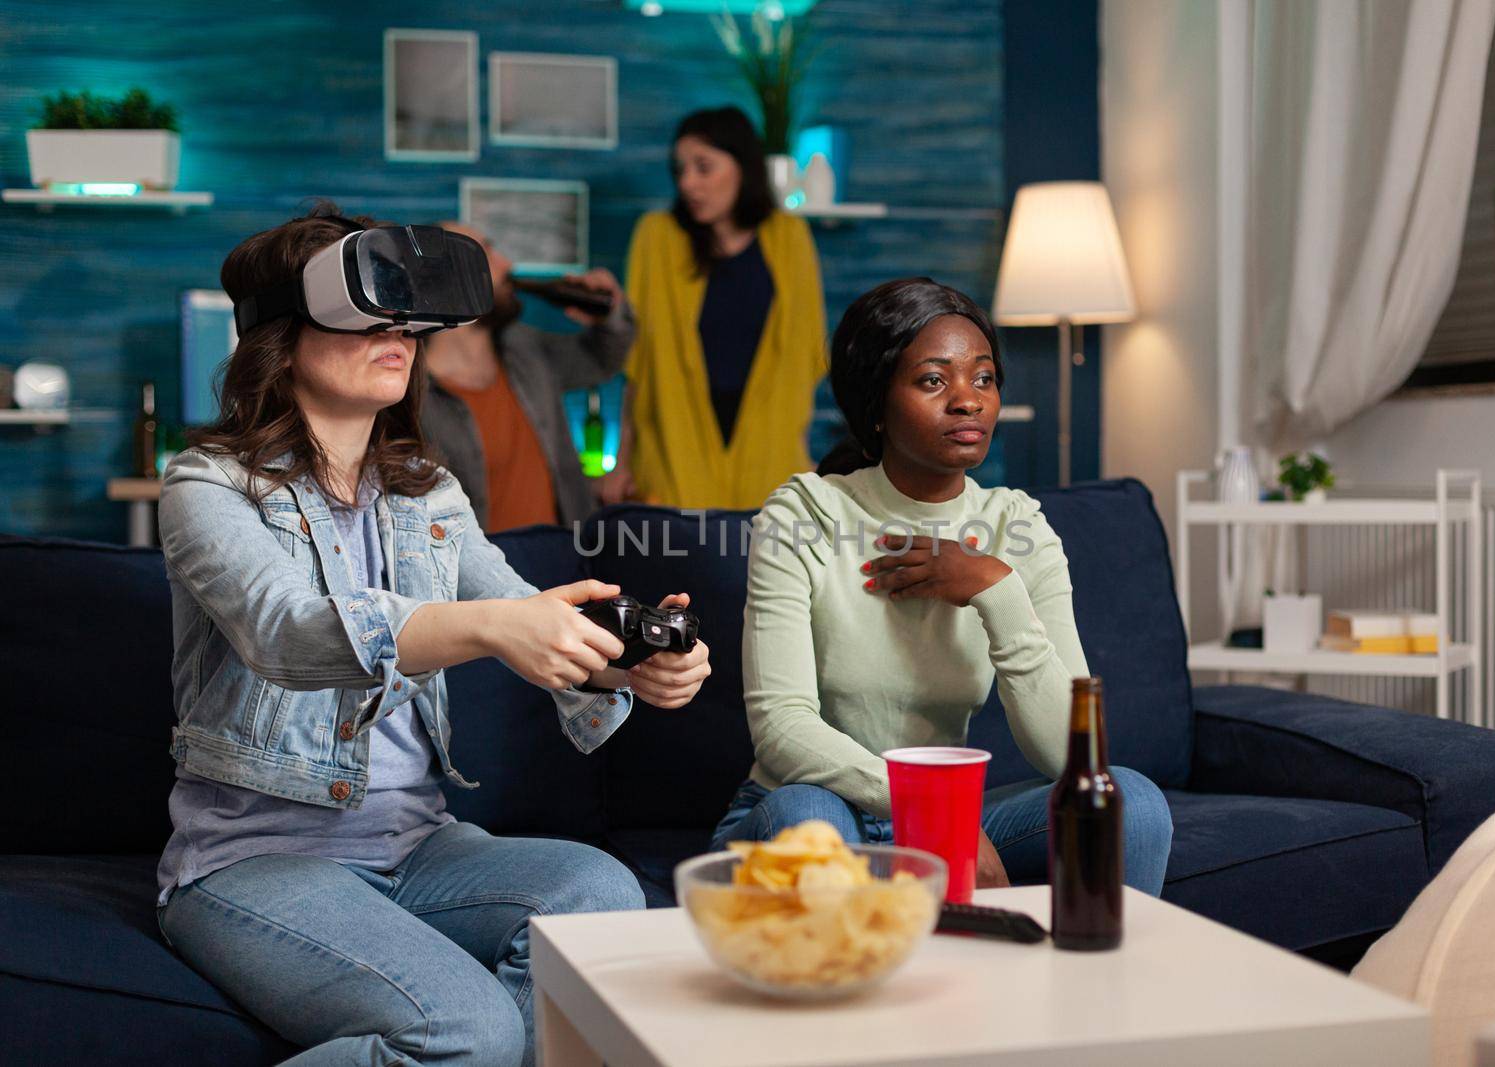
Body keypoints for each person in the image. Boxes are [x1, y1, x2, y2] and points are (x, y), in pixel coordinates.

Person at [155, 205, 712, 1066]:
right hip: (254, 860)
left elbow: (526, 607)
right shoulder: (208, 486)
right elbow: (288, 633)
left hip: (421, 848)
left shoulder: (426, 494)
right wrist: (493, 626)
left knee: (601, 893)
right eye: (369, 314)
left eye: (409, 315)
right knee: (470, 1028)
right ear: (279, 335)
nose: (403, 333)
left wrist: (624, 664)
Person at [711, 278, 1172, 895]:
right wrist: (931, 811)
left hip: (948, 810)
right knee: (808, 818)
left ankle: (1101, 987)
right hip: (815, 805)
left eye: (983, 378)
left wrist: (997, 588)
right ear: (876, 403)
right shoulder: (805, 514)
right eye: (934, 380)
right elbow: (782, 727)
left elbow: (1070, 756)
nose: (968, 401)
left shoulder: (1018, 528)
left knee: (1126, 801)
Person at [605, 106, 827, 510]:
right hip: (673, 447)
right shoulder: (657, 237)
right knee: (681, 561)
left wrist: (803, 454)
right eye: (680, 170)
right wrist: (622, 463)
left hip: (770, 450)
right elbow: (638, 364)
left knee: (764, 562)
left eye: (703, 167)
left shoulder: (789, 238)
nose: (688, 183)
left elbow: (806, 354)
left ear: (743, 166)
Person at [422, 221, 633, 533]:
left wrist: (611, 316)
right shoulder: (412, 400)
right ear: (446, 282)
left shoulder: (524, 349)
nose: (507, 264)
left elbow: (600, 360)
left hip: (568, 566)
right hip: (484, 581)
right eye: (487, 254)